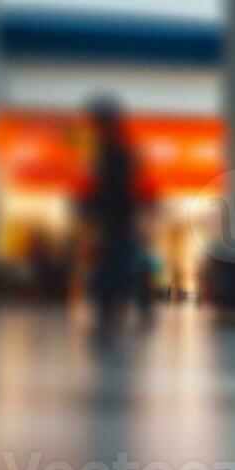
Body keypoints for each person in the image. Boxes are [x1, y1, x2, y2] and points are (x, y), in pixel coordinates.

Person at [80, 97, 145, 334]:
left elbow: (112, 189)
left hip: (115, 218)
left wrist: (93, 207)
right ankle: (115, 312)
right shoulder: (116, 150)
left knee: (113, 266)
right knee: (115, 264)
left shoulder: (114, 151)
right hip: (118, 218)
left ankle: (112, 313)